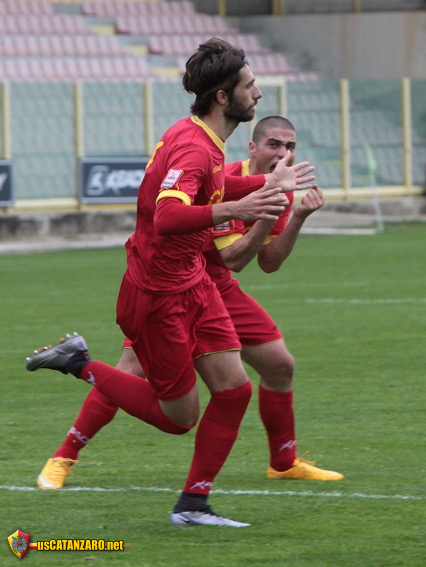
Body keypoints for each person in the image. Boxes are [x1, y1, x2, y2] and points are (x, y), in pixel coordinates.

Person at [26, 39, 315, 528]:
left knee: (234, 390)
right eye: (249, 85)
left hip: (194, 283)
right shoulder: (194, 147)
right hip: (158, 296)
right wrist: (238, 208)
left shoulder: (201, 138)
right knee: (178, 417)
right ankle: (78, 363)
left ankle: (193, 506)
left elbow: (213, 186)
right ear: (222, 96)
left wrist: (267, 184)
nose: (258, 93)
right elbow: (167, 217)